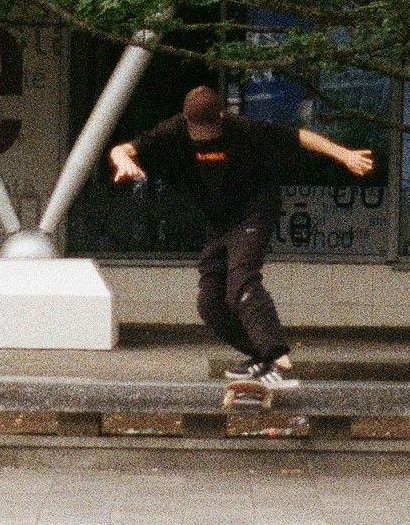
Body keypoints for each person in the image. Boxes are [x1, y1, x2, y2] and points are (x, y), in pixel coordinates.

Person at [109, 86, 375, 388]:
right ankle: (259, 359)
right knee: (209, 304)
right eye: (199, 133)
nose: (206, 138)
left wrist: (343, 154)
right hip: (219, 223)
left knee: (242, 278)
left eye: (212, 131)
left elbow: (299, 137)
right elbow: (122, 149)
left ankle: (277, 359)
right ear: (185, 120)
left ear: (222, 116)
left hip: (254, 211)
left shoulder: (244, 129)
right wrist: (122, 160)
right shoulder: (173, 130)